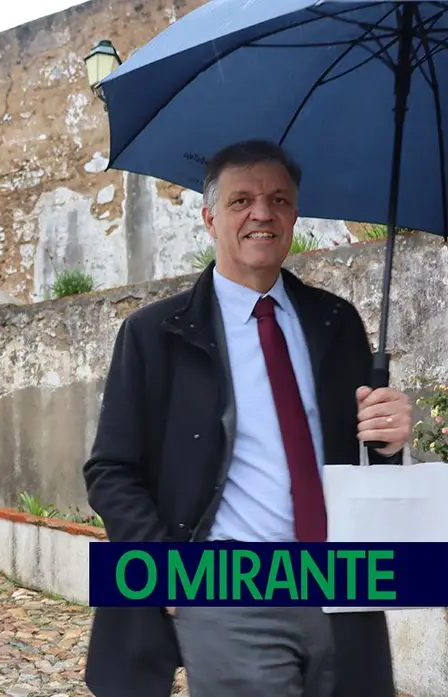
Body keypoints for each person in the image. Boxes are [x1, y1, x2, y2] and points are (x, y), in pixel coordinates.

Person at [81, 140, 413, 697]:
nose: (262, 213)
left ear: (294, 215)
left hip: (339, 587)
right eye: (242, 201)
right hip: (225, 588)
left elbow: (368, 464)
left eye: (278, 199)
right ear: (211, 217)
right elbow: (110, 470)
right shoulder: (153, 335)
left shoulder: (337, 321)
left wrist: (387, 439)